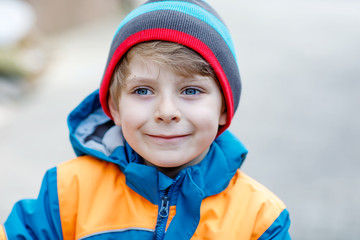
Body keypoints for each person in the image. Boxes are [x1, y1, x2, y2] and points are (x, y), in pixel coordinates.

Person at [0, 0, 291, 239]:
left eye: (190, 90)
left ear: (224, 109)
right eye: (143, 90)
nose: (166, 111)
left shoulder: (259, 220)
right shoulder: (66, 194)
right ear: (114, 106)